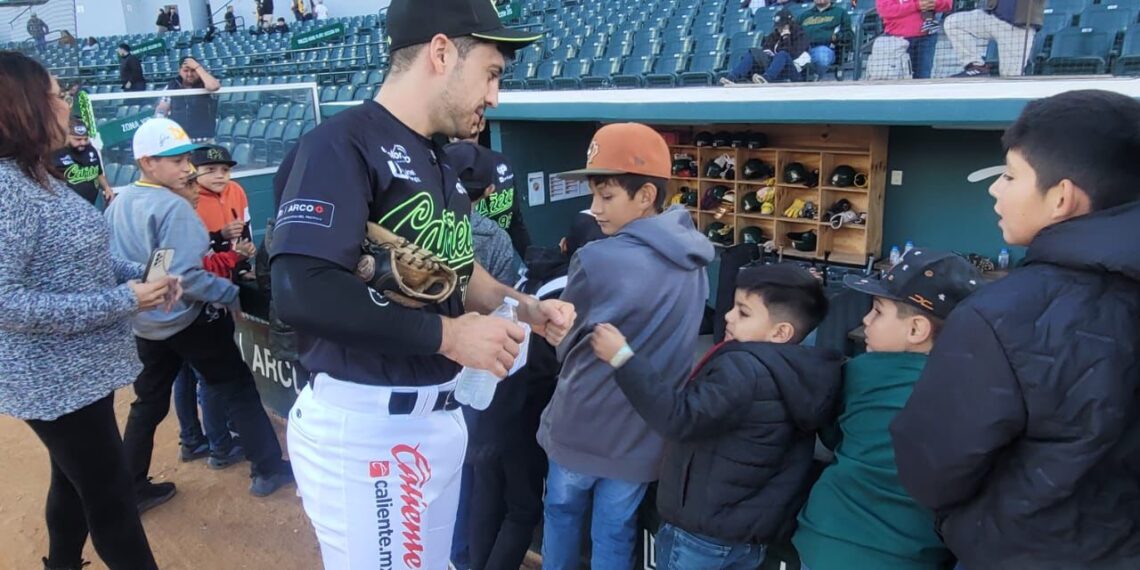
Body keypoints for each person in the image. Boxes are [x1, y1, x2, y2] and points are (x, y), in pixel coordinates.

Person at [268, 0, 556, 567]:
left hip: (435, 419)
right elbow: (300, 289)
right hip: (367, 427)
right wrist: (449, 337)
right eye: (491, 74)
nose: (494, 96)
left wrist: (523, 306)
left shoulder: (439, 161)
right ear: (442, 51)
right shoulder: (340, 144)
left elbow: (456, 272)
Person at [891, 90, 1140, 569]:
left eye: (1009, 176)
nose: (995, 190)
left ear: (1062, 198)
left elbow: (931, 467)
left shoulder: (1003, 314)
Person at [0, 51, 174, 570]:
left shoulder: (36, 175)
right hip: (51, 380)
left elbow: (84, 257)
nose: (67, 103)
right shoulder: (7, 189)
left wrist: (137, 276)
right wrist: (124, 299)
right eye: (56, 94)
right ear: (22, 106)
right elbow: (6, 300)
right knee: (112, 499)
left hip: (77, 374)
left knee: (73, 482)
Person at [537, 122, 715, 570]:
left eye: (607, 196)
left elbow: (566, 341)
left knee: (561, 516)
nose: (594, 209)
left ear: (646, 196)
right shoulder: (697, 258)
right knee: (615, 533)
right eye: (594, 194)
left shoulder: (596, 258)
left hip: (583, 421)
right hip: (646, 428)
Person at [589, 264, 839, 569]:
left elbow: (678, 417)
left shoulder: (744, 369)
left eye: (744, 312)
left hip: (701, 536)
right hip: (748, 536)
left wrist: (621, 358)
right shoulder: (803, 374)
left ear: (780, 332)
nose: (728, 316)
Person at [106, 117, 295, 512]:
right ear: (146, 162)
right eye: (173, 160)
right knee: (237, 388)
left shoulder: (120, 200)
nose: (185, 167)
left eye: (184, 159)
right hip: (189, 318)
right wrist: (231, 295)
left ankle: (131, 485)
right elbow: (189, 277)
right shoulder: (173, 207)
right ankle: (267, 469)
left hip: (146, 321)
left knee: (148, 403)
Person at [793, 249, 981, 570]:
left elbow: (832, 434)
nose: (865, 319)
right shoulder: (974, 390)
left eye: (878, 311)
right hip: (912, 553)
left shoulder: (862, 371)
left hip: (828, 537)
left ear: (915, 330)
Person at [465, 212, 606, 570]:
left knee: (488, 497)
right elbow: (548, 370)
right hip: (520, 413)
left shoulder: (532, 275)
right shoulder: (570, 292)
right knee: (523, 509)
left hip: (487, 399)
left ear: (563, 245)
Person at [171, 144, 257, 471]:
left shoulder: (236, 191)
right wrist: (222, 240)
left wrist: (243, 257)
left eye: (224, 169)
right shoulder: (187, 199)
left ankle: (194, 439)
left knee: (190, 374)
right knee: (203, 375)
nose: (219, 175)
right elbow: (198, 257)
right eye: (209, 170)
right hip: (201, 290)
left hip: (216, 278)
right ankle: (215, 441)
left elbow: (245, 235)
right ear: (194, 173)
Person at [943, 0, 1044, 77]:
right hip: (992, 17)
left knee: (1011, 80)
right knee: (953, 22)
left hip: (1019, 28)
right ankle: (977, 67)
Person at [721, 10, 810, 84]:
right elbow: (766, 49)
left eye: (783, 26)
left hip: (792, 71)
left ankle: (766, 79)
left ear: (790, 24)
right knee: (753, 53)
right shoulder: (774, 35)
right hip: (774, 67)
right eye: (778, 26)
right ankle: (732, 78)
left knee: (783, 54)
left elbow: (792, 54)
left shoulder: (800, 35)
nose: (780, 28)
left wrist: (786, 37)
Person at [875, 0, 951, 79]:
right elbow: (885, 10)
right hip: (897, 41)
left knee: (923, 79)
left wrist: (930, 3)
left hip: (926, 38)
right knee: (897, 80)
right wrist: (916, 6)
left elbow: (947, 4)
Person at [157, 57, 221, 143]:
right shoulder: (172, 86)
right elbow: (163, 107)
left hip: (205, 141)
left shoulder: (206, 83)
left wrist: (198, 67)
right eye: (186, 71)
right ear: (179, 71)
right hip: (180, 141)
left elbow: (214, 86)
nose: (190, 74)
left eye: (193, 70)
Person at [53, 118, 113, 206]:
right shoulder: (56, 153)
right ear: (66, 136)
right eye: (78, 139)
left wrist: (107, 188)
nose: (83, 143)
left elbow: (98, 173)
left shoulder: (91, 150)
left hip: (92, 203)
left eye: (85, 139)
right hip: (68, 206)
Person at [797, 0, 852, 78]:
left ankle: (813, 77)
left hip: (826, 48)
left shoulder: (840, 13)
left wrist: (836, 36)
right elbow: (794, 32)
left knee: (822, 56)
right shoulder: (804, 15)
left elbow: (849, 35)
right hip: (803, 50)